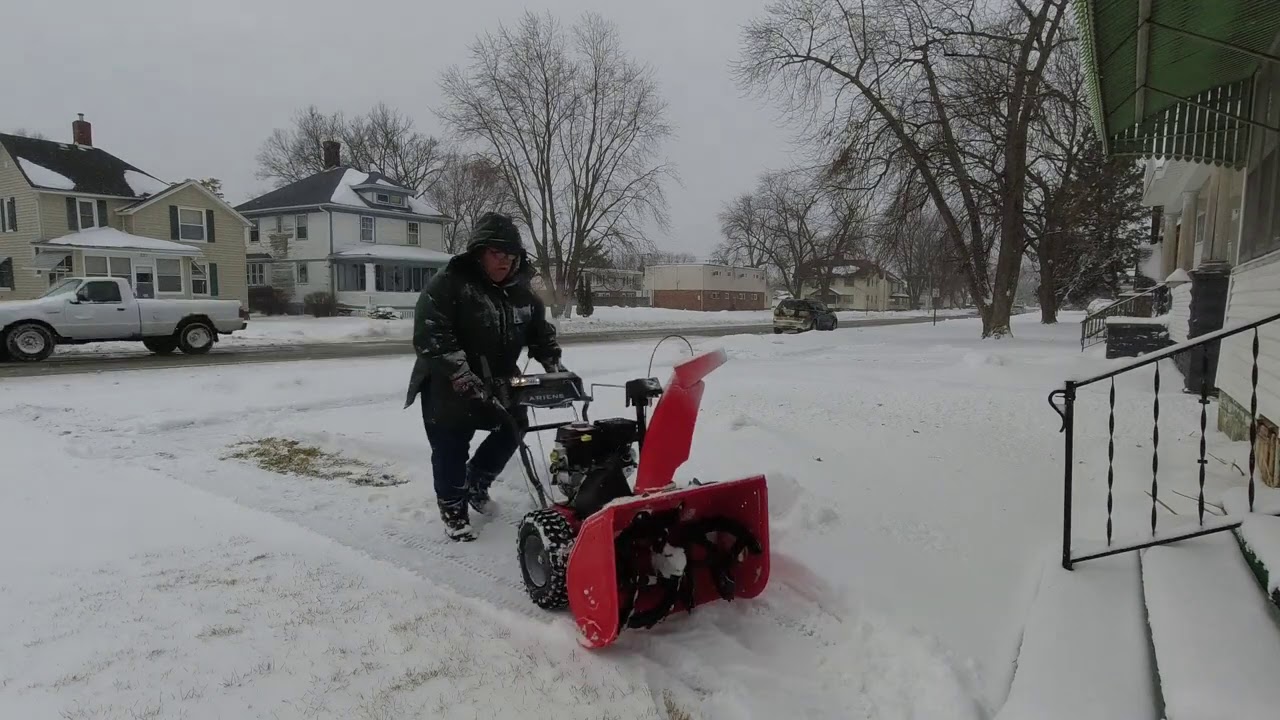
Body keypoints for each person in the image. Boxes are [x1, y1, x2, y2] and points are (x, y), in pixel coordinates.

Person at [404, 212, 564, 542]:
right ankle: (453, 508)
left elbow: (540, 333)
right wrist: (461, 376)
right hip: (445, 383)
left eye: (511, 254)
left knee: (513, 425)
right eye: (497, 253)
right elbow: (432, 337)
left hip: (501, 377)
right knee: (451, 445)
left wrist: (553, 365)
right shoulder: (449, 284)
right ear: (478, 252)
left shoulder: (522, 291)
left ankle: (477, 481)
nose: (505, 261)